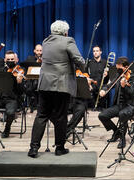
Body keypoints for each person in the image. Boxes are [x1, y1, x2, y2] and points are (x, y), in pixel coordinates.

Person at [28, 20, 85, 158]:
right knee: (60, 117)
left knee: (41, 115)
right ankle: (59, 148)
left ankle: (34, 148)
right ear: (65, 31)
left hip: (45, 84)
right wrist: (82, 66)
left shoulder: (46, 41)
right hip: (61, 84)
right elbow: (79, 59)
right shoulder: (68, 41)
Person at [98, 57, 134, 149]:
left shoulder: (132, 76)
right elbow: (110, 85)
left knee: (123, 114)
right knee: (102, 115)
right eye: (117, 68)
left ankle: (123, 138)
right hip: (119, 105)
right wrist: (104, 90)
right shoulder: (119, 75)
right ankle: (117, 132)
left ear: (126, 67)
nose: (118, 70)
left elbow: (132, 93)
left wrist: (124, 86)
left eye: (120, 68)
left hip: (129, 106)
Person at [87, 45, 109, 110]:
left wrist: (107, 74)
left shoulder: (105, 62)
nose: (95, 52)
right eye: (94, 51)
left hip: (102, 85)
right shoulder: (89, 63)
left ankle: (102, 107)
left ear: (100, 52)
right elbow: (86, 75)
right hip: (93, 85)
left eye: (97, 51)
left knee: (104, 89)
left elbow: (110, 77)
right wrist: (89, 84)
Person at [24, 44, 43, 113]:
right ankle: (33, 104)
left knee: (38, 84)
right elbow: (25, 69)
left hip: (42, 81)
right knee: (33, 84)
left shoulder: (45, 59)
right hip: (31, 81)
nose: (39, 52)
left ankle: (40, 105)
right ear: (34, 51)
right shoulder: (30, 59)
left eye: (40, 50)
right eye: (37, 50)